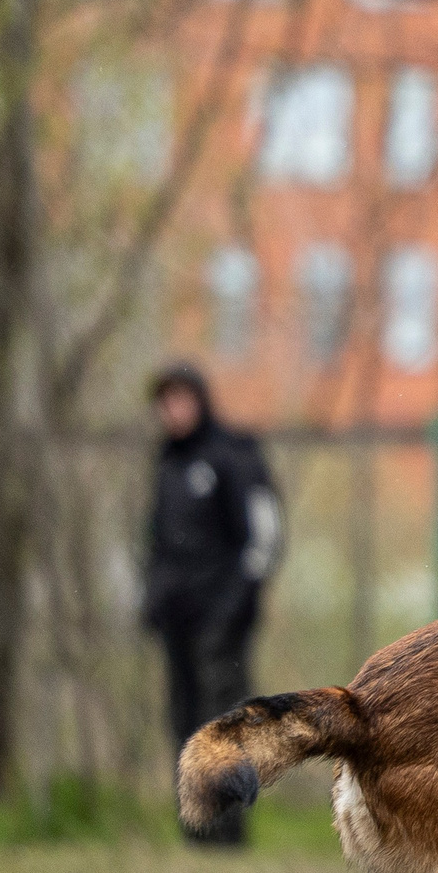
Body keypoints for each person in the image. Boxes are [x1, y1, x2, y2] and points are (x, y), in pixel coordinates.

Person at [141, 362, 283, 846]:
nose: (173, 411)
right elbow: (159, 541)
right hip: (177, 618)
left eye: (182, 399)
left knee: (221, 724)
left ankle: (227, 832)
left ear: (200, 400)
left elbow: (263, 537)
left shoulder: (235, 455)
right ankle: (194, 828)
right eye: (166, 401)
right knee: (181, 719)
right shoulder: (168, 462)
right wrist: (152, 598)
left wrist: (236, 604)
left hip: (223, 618)